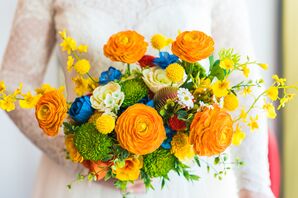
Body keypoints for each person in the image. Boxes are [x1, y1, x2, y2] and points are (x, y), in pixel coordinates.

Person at [0, 0, 274, 197]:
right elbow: (12, 83)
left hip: (190, 180)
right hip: (86, 180)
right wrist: (83, 160)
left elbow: (241, 79)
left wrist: (255, 183)